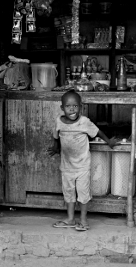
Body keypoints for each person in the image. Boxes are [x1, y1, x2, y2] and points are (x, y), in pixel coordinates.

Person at [48, 90, 116, 231]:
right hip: (66, 166)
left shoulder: (84, 122)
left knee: (83, 194)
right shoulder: (58, 121)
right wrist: (55, 148)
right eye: (68, 106)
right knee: (69, 193)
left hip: (82, 166)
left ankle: (84, 221)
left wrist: (109, 141)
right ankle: (70, 219)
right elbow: (56, 136)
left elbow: (97, 132)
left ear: (81, 107)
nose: (72, 109)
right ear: (62, 108)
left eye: (75, 106)